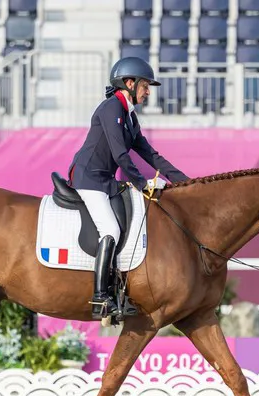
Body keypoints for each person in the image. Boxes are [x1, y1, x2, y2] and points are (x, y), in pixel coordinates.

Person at [67, 56, 190, 320]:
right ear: (130, 83)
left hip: (105, 181)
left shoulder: (130, 117)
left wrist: (186, 183)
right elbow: (121, 155)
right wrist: (143, 183)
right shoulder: (112, 108)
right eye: (146, 86)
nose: (148, 92)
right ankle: (101, 296)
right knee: (110, 229)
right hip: (89, 178)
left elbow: (152, 156)